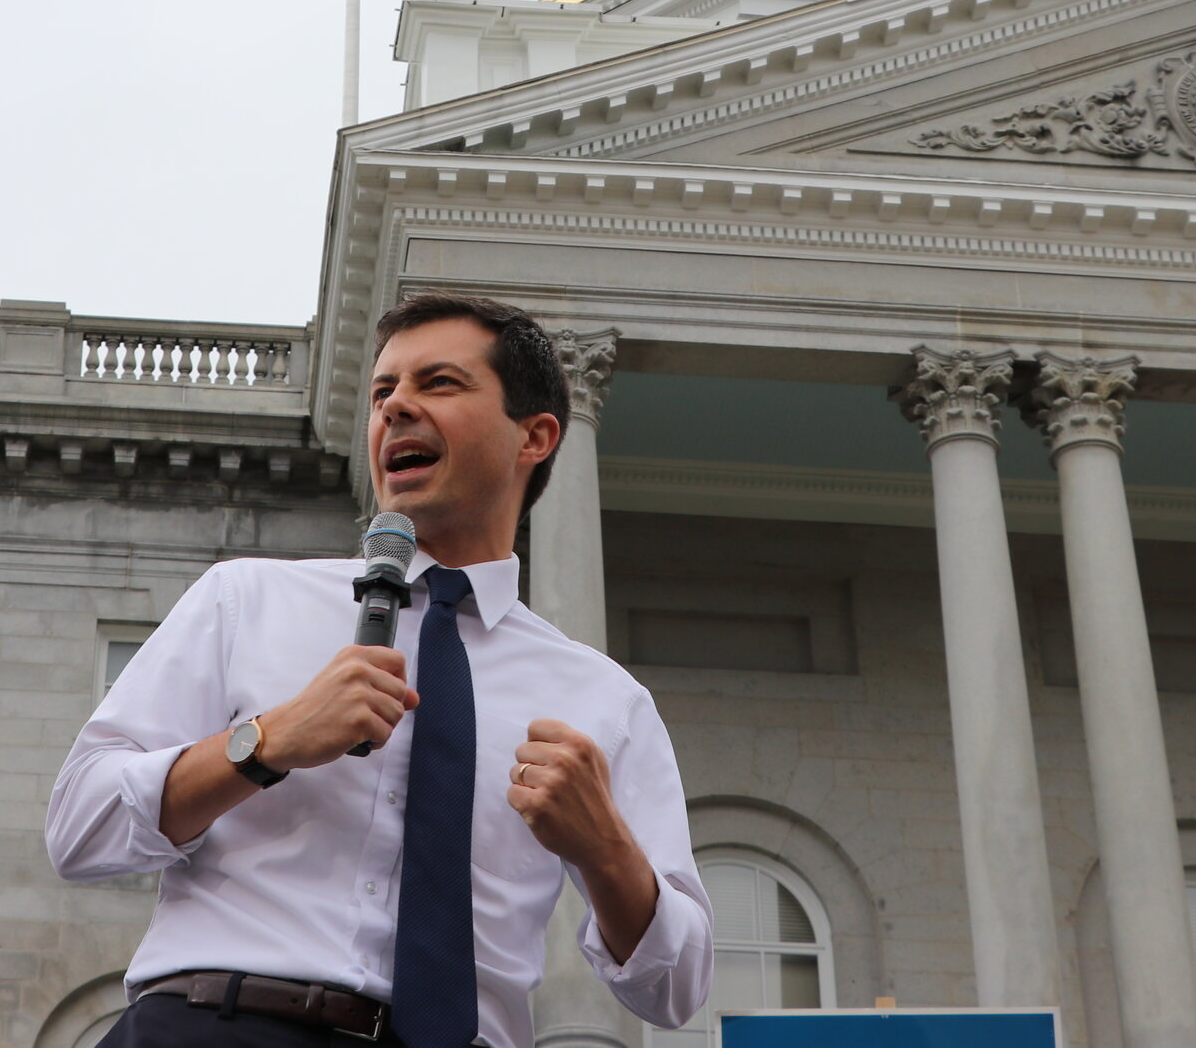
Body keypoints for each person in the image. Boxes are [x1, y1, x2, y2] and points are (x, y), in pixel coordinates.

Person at [47, 293, 713, 1048]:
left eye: (439, 383)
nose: (395, 406)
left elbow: (676, 987)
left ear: (536, 435)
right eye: (382, 391)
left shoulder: (604, 700)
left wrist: (606, 849)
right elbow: (79, 827)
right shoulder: (247, 598)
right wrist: (264, 742)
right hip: (215, 1024)